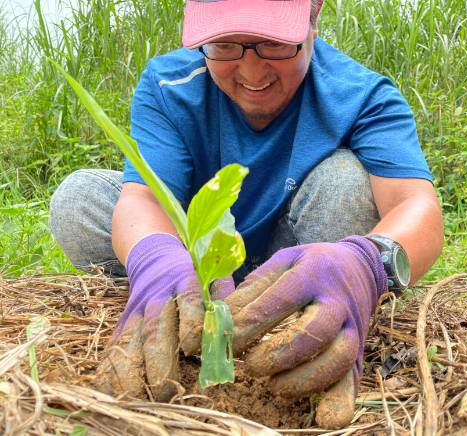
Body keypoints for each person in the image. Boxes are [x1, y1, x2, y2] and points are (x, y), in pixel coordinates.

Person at [49, 0, 444, 429]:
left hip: (296, 255)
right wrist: (155, 256)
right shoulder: (170, 84)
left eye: (275, 44)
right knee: (80, 199)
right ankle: (172, 298)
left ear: (313, 22)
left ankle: (313, 304)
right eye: (224, 45)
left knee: (346, 181)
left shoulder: (358, 93)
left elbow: (416, 206)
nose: (252, 73)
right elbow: (144, 198)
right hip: (196, 257)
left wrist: (365, 264)